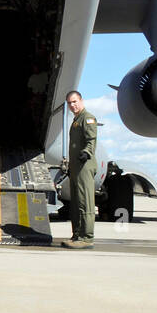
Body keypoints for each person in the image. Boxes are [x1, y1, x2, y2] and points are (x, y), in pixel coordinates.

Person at [63, 90, 97, 249]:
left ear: (81, 100)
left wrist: (87, 153)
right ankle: (77, 235)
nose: (72, 105)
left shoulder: (87, 118)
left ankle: (87, 237)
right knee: (75, 202)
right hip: (76, 166)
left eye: (75, 101)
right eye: (70, 103)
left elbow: (91, 140)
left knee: (85, 202)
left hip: (85, 165)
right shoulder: (76, 120)